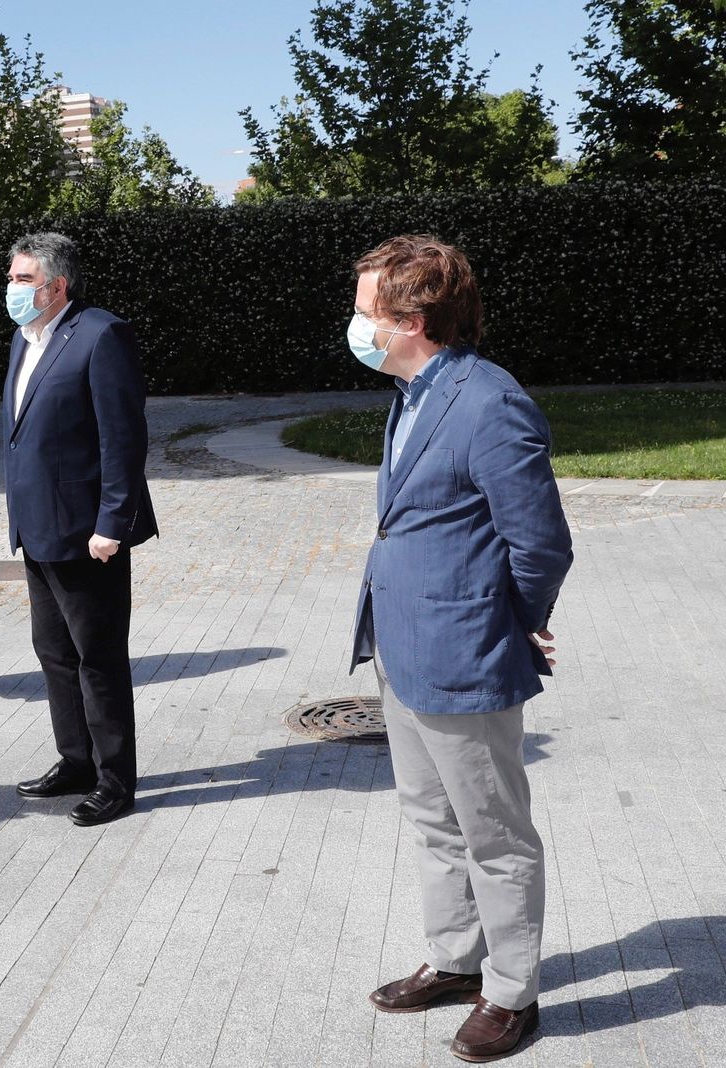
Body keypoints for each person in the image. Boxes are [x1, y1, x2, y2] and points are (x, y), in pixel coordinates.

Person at [349, 235, 573, 1062]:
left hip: (465, 652)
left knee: (495, 835)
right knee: (432, 820)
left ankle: (513, 993)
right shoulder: (413, 392)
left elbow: (541, 541)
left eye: (367, 311)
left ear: (412, 319)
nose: (356, 325)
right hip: (402, 647)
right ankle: (455, 959)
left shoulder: (490, 402)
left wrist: (509, 619)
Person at [3, 232, 157, 828]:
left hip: (88, 533)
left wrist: (112, 523)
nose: (12, 289)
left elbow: (123, 437)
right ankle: (76, 760)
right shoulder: (26, 338)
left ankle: (116, 778)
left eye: (23, 280)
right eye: (13, 279)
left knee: (98, 658)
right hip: (38, 526)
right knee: (54, 653)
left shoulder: (100, 334)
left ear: (56, 286)